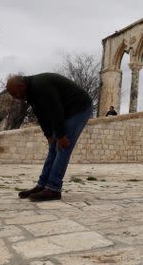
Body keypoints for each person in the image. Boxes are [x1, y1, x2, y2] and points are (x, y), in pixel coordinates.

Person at [7, 73, 93, 202]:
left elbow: (55, 109)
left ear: (21, 86)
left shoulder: (40, 86)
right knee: (53, 147)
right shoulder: (31, 93)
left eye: (15, 94)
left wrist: (61, 135)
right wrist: (48, 135)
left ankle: (54, 188)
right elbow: (41, 115)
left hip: (79, 108)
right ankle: (42, 185)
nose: (15, 98)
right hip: (65, 112)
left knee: (63, 147)